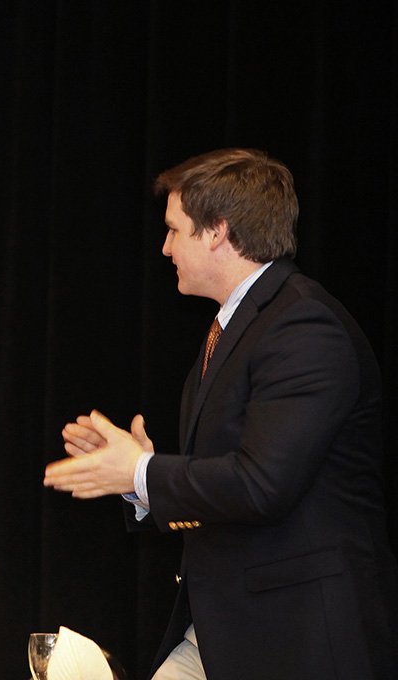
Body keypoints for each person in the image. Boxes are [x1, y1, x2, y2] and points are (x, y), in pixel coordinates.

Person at [43, 148, 398, 680]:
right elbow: (229, 477)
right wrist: (136, 474)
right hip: (226, 624)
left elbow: (262, 484)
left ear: (217, 232)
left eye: (174, 230)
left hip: (296, 633)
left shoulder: (302, 327)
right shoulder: (240, 326)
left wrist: (141, 472)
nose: (163, 248)